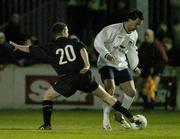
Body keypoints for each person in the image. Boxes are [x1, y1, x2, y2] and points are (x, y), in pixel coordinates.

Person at [9, 22, 139, 130]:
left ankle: (47, 125)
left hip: (67, 79)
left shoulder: (49, 47)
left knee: (47, 96)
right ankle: (130, 117)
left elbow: (29, 49)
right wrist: (87, 65)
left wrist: (16, 46)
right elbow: (82, 49)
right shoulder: (74, 42)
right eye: (67, 30)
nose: (68, 31)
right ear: (64, 31)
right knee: (106, 96)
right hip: (84, 76)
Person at [94, 9, 144, 130]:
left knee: (131, 92)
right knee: (110, 89)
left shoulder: (134, 34)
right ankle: (105, 120)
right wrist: (106, 54)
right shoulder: (112, 29)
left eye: (139, 25)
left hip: (121, 65)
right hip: (106, 63)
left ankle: (119, 115)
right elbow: (97, 41)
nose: (137, 27)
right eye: (137, 23)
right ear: (130, 20)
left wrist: (134, 66)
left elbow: (132, 51)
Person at [137, 29, 169, 110]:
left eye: (148, 35)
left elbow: (164, 59)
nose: (146, 37)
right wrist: (138, 67)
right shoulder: (143, 45)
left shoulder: (157, 45)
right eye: (145, 35)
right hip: (146, 68)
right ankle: (146, 103)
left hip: (157, 68)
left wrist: (155, 68)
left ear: (152, 36)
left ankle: (152, 105)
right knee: (139, 85)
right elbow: (139, 57)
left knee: (153, 86)